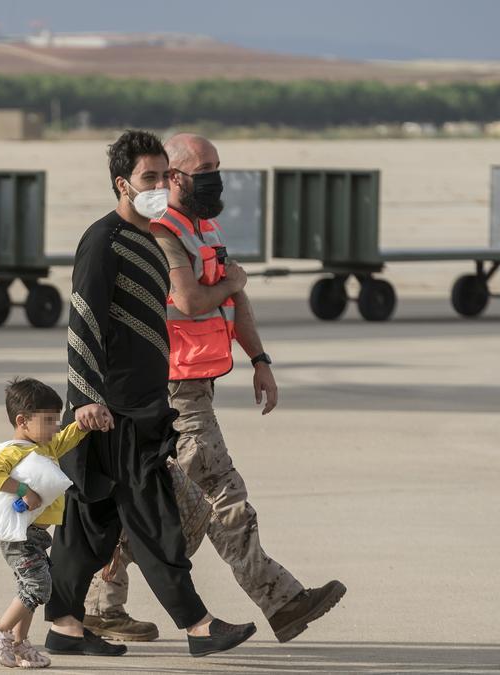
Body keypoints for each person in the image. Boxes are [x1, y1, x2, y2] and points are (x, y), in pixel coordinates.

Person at [84, 133, 345, 643]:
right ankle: (282, 601)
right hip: (172, 388)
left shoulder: (204, 228)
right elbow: (190, 300)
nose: (216, 176)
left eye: (218, 165)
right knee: (225, 496)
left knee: (168, 508)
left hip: (195, 384)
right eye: (205, 167)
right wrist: (232, 283)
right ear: (174, 176)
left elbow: (233, 300)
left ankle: (100, 601)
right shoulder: (160, 231)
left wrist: (260, 359)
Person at [43, 129, 256, 659]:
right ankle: (199, 625)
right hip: (112, 410)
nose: (161, 185)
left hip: (143, 402)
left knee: (90, 526)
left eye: (165, 175)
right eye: (149, 178)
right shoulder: (103, 239)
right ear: (123, 183)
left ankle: (63, 626)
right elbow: (83, 322)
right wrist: (87, 398)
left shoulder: (151, 238)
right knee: (155, 517)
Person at [0, 377, 92, 669]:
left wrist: (82, 425)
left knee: (29, 587)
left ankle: (19, 643)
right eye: (49, 420)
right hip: (20, 536)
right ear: (22, 421)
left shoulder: (46, 446)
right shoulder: (13, 450)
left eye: (56, 420)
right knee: (38, 585)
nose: (55, 427)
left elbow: (65, 439)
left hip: (37, 536)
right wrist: (25, 492)